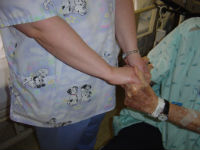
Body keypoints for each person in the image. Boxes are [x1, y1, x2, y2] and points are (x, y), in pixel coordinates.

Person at [0, 0, 150, 150]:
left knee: (87, 142)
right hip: (58, 95)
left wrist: (132, 53)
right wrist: (110, 73)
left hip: (101, 84)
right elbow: (37, 23)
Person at [103, 17, 200, 150]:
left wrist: (159, 107)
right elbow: (151, 69)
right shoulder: (192, 29)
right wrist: (141, 73)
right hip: (155, 124)